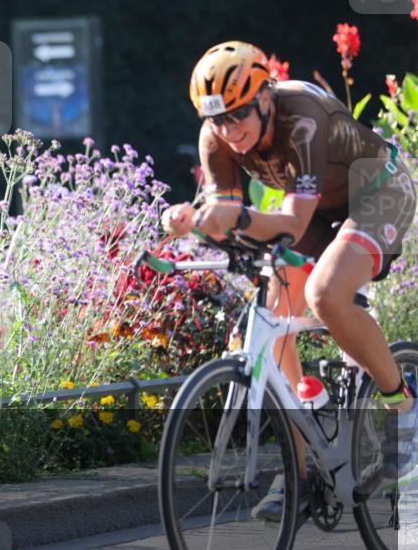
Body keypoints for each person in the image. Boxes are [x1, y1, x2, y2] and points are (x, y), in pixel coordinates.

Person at [162, 41, 418, 521]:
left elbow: (290, 224)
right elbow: (227, 214)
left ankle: (404, 408)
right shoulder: (216, 139)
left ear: (265, 98)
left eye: (238, 114)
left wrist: (231, 217)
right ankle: (299, 473)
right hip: (317, 208)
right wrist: (194, 220)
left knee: (324, 293)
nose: (228, 129)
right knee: (269, 322)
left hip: (378, 191)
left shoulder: (300, 118)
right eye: (217, 119)